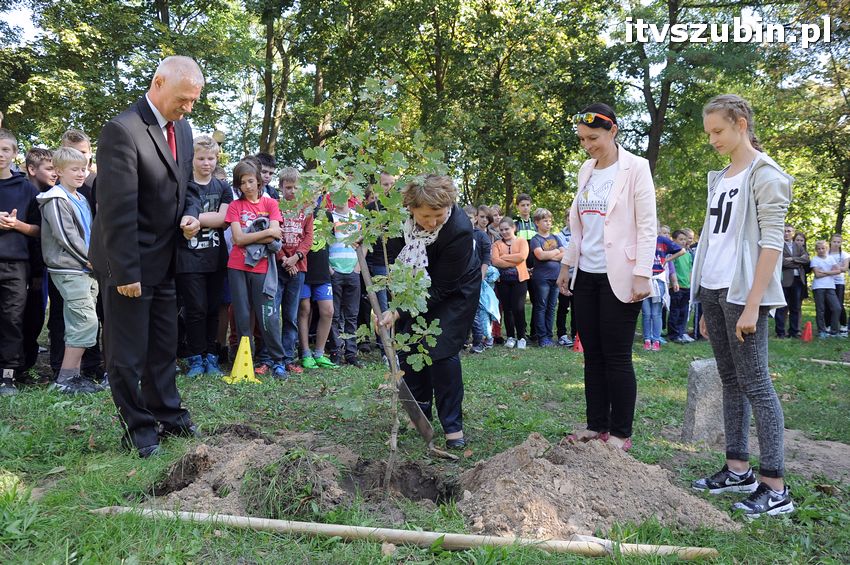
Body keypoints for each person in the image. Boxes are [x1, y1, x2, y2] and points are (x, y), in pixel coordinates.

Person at [89, 56, 204, 458]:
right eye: (183, 99)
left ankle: (169, 416)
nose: (188, 108)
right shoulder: (122, 130)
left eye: (193, 101)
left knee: (163, 348)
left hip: (167, 259)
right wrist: (125, 271)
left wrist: (190, 214)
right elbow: (116, 209)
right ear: (158, 83)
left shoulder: (184, 130)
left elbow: (185, 184)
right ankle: (138, 430)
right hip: (129, 263)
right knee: (127, 353)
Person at [690, 93, 794, 518]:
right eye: (708, 132)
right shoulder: (720, 177)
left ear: (741, 124)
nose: (712, 139)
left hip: (744, 294)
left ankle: (775, 486)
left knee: (757, 384)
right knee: (730, 380)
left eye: (718, 130)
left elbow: (772, 243)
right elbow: (714, 239)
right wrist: (702, 300)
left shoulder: (767, 174)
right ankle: (738, 469)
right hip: (714, 290)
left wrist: (753, 305)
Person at [556, 103, 656, 452]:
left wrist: (643, 274)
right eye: (583, 139)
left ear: (613, 131)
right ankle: (595, 424)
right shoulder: (586, 170)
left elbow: (647, 225)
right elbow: (578, 226)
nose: (588, 145)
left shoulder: (636, 168)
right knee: (592, 354)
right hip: (587, 274)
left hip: (623, 276)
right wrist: (567, 265)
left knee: (617, 356)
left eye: (594, 138)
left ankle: (619, 433)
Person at [380, 174, 481, 449]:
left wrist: (400, 311)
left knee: (441, 350)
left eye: (439, 214)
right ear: (411, 209)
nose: (433, 221)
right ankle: (420, 413)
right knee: (411, 345)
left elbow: (442, 288)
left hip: (454, 289)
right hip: (413, 283)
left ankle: (452, 426)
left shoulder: (459, 229)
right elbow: (389, 255)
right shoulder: (396, 220)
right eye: (426, 215)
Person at [36, 147, 101, 394]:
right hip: (71, 268)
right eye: (75, 169)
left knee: (79, 321)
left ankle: (71, 376)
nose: (81, 173)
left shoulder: (80, 198)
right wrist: (89, 260)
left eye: (83, 168)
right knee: (85, 321)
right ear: (59, 171)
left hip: (85, 269)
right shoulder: (55, 198)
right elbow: (65, 236)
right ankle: (66, 379)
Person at [175, 135, 232, 378]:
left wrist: (196, 220)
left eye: (211, 158)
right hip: (188, 258)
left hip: (216, 258)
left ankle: (211, 356)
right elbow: (180, 215)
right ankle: (195, 357)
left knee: (212, 308)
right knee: (195, 308)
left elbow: (223, 219)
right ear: (192, 159)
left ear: (217, 159)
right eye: (201, 158)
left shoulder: (223, 188)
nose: (206, 163)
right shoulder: (183, 184)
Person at [225, 160, 287, 379]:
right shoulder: (235, 207)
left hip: (261, 268)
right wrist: (264, 234)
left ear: (259, 181)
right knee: (242, 317)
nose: (248, 186)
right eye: (243, 183)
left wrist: (254, 236)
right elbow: (238, 238)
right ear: (238, 185)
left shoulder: (271, 205)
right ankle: (245, 361)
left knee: (267, 317)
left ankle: (278, 361)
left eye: (251, 181)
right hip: (236, 267)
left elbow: (277, 234)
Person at [0, 128, 42, 396]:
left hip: (15, 264)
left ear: (15, 154)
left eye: (5, 149)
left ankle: (8, 375)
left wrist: (17, 225)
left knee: (12, 319)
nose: (0, 154)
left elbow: (39, 230)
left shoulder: (27, 188)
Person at [275, 167, 313, 374]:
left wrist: (295, 258)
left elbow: (308, 238)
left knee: (290, 314)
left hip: (299, 268)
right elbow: (273, 236)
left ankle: (288, 357)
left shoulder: (306, 209)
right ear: (280, 187)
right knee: (272, 313)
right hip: (278, 266)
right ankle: (272, 357)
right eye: (288, 187)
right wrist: (284, 259)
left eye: (295, 188)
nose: (292, 191)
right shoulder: (275, 207)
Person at [298, 199, 338, 370]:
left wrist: (329, 265)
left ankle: (319, 353)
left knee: (328, 310)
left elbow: (329, 242)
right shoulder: (298, 212)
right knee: (304, 309)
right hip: (303, 268)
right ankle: (305, 353)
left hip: (322, 270)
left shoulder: (326, 214)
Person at [327, 194, 364, 367]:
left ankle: (351, 353)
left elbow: (366, 244)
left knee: (351, 315)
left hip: (353, 271)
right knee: (334, 314)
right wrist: (329, 268)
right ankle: (336, 351)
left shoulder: (358, 217)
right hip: (335, 270)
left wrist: (358, 267)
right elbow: (323, 244)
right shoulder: (329, 217)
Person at [641, 232, 683, 351]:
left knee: (656, 312)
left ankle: (656, 339)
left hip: (658, 280)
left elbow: (682, 251)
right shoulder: (641, 238)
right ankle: (647, 339)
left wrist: (668, 259)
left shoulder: (662, 241)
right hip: (644, 278)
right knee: (646, 313)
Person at [491, 217, 530, 349]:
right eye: (501, 230)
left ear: (513, 228)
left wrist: (504, 258)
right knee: (507, 310)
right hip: (503, 282)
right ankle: (511, 337)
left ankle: (522, 337)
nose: (504, 232)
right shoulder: (496, 244)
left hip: (520, 280)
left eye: (507, 229)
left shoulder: (522, 241)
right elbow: (495, 261)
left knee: (518, 309)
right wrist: (512, 261)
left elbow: (522, 257)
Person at [529, 208, 564, 346]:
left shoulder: (555, 238)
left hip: (556, 278)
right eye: (545, 221)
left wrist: (551, 255)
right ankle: (542, 337)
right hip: (541, 279)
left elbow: (564, 254)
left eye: (550, 221)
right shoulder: (535, 239)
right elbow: (540, 255)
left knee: (551, 307)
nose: (548, 223)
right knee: (541, 307)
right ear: (537, 222)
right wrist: (555, 252)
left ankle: (549, 336)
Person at [465, 206, 492, 353]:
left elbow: (486, 258)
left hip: (475, 278)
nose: (468, 220)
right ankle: (463, 340)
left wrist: (481, 276)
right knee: (461, 310)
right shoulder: (458, 235)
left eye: (470, 217)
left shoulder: (481, 236)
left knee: (474, 311)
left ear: (475, 218)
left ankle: (478, 342)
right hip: (459, 278)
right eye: (465, 217)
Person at [774, 224, 808, 338]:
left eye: (789, 231)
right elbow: (781, 262)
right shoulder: (778, 245)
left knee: (796, 307)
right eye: (784, 231)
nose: (786, 233)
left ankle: (794, 332)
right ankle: (780, 332)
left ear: (793, 233)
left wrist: (793, 259)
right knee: (782, 307)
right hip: (785, 280)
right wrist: (798, 263)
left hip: (798, 281)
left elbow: (806, 259)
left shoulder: (798, 246)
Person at [810, 240, 843, 338]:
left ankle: (834, 331)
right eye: (818, 249)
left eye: (823, 248)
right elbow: (817, 274)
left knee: (837, 308)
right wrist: (830, 272)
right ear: (816, 250)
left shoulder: (831, 258)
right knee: (820, 310)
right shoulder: (814, 260)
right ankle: (822, 331)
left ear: (827, 248)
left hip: (830, 286)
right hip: (818, 287)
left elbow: (838, 270)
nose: (821, 250)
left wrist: (825, 272)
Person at [668, 229, 695, 343]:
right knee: (675, 311)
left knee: (684, 312)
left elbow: (689, 269)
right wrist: (675, 282)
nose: (683, 242)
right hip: (676, 286)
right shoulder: (673, 254)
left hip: (687, 287)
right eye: (681, 239)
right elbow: (671, 270)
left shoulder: (688, 254)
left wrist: (690, 284)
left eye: (685, 239)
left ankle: (681, 332)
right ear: (674, 240)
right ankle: (673, 335)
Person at [553, 211, 574, 347]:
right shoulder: (559, 236)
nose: (571, 221)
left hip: (579, 276)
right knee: (563, 307)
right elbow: (563, 254)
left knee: (578, 307)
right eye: (568, 218)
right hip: (565, 276)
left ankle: (577, 333)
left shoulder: (584, 234)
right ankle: (562, 334)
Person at [828, 234, 848, 333]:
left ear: (841, 243)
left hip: (839, 282)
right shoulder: (826, 253)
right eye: (834, 241)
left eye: (838, 242)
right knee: (827, 304)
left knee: (839, 305)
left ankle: (843, 325)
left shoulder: (844, 254)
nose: (836, 244)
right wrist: (838, 267)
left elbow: (845, 268)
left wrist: (832, 268)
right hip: (826, 282)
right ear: (830, 242)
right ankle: (827, 326)